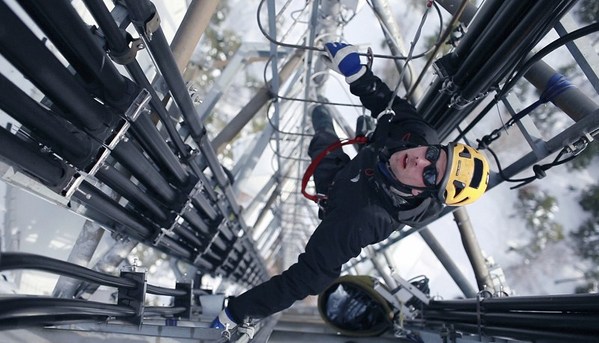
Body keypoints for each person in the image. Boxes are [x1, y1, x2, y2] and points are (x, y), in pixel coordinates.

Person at [211, 42, 490, 331]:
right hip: (370, 162)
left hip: (340, 190)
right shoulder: (420, 136)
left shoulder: (360, 218)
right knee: (346, 133)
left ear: (423, 192)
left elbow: (308, 279)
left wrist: (236, 311)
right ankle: (323, 112)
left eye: (430, 176)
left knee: (323, 142)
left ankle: (321, 116)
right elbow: (392, 106)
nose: (419, 161)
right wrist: (359, 75)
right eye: (433, 155)